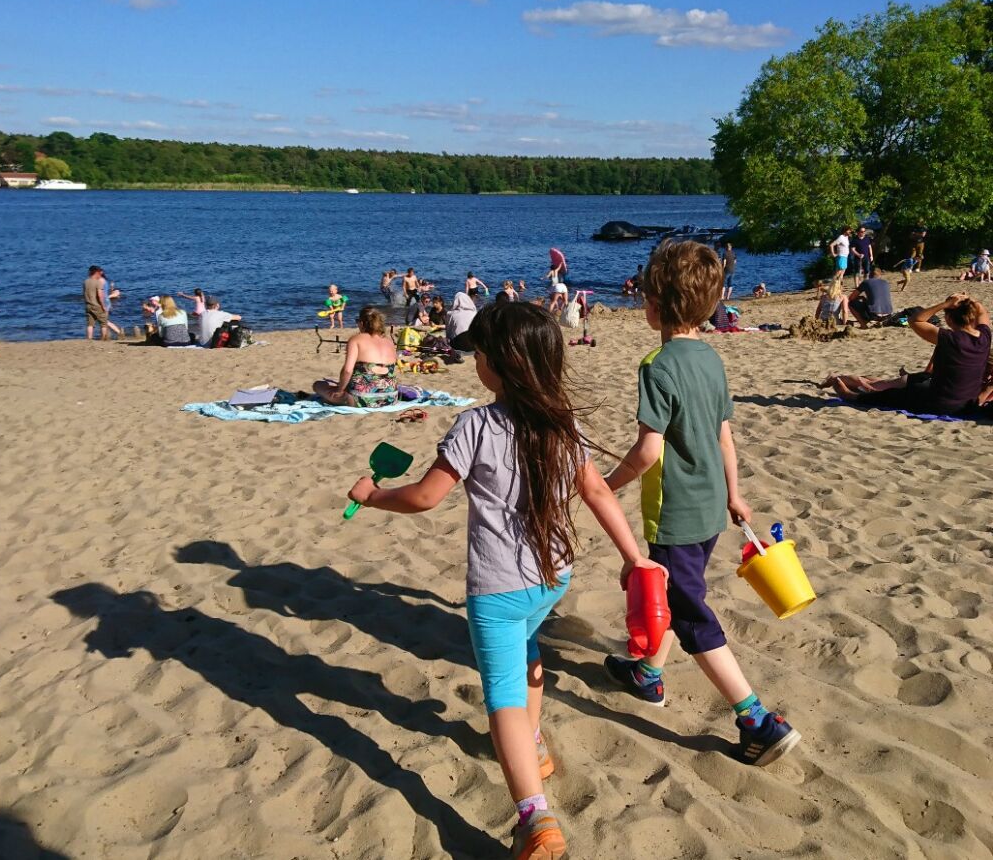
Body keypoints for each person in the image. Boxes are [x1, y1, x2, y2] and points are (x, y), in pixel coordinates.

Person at [347, 301, 659, 858]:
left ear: (499, 364)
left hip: (497, 589)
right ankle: (534, 746)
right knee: (528, 651)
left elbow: (423, 496)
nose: (476, 363)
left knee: (503, 700)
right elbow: (597, 492)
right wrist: (634, 556)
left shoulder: (476, 425)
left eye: (480, 355)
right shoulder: (564, 424)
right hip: (552, 576)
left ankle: (534, 819)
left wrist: (372, 496)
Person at [603, 239, 800, 769]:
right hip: (712, 506)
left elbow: (648, 450)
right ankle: (647, 674)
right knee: (674, 590)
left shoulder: (658, 366)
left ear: (653, 304)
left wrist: (606, 482)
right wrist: (734, 495)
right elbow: (724, 437)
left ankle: (755, 718)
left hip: (679, 513)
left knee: (689, 613)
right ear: (710, 306)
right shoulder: (711, 358)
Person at [833, 294, 991, 415]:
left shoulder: (948, 338)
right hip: (968, 405)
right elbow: (983, 313)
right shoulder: (984, 337)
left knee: (893, 395)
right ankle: (861, 387)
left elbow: (915, 320)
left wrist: (946, 304)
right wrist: (969, 301)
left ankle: (851, 396)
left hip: (941, 403)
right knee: (914, 383)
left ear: (949, 318)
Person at [313, 305, 398, 407]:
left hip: (361, 399)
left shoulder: (356, 339)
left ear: (362, 323)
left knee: (318, 385)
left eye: (357, 321)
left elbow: (347, 370)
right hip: (390, 398)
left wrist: (339, 390)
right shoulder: (389, 342)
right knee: (334, 381)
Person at [84, 266, 122, 341]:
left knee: (104, 322)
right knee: (104, 321)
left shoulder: (99, 281)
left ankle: (118, 333)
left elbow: (101, 295)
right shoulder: (103, 280)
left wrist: (104, 303)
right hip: (103, 302)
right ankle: (114, 334)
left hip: (101, 302)